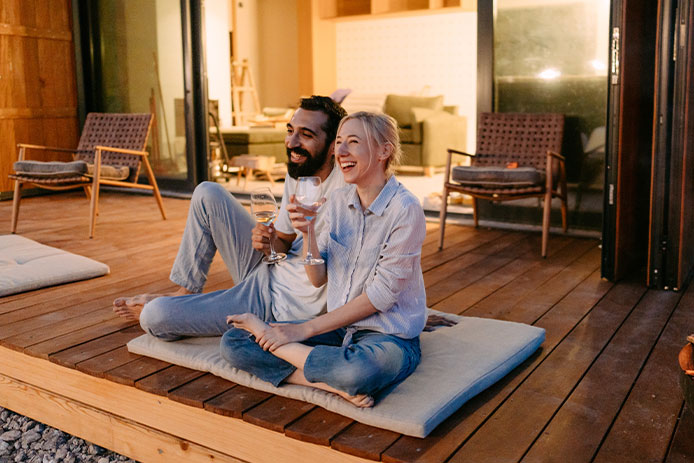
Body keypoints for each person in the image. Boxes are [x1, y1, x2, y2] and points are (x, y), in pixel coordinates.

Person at [222, 112, 427, 408]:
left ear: (384, 151)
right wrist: (308, 235)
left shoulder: (405, 209)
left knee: (359, 370)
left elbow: (380, 297)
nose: (340, 152)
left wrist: (302, 330)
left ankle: (335, 375)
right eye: (339, 142)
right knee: (233, 343)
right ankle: (336, 386)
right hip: (340, 330)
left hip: (387, 336)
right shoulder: (339, 202)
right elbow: (318, 277)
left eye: (353, 142)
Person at [112, 96, 348, 339]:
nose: (292, 142)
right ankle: (186, 292)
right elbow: (284, 242)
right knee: (207, 192)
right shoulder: (300, 170)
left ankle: (185, 307)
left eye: (306, 134)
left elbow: (327, 278)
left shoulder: (350, 189)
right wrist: (268, 242)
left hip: (272, 303)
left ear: (333, 146)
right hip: (268, 268)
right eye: (290, 131)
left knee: (155, 315)